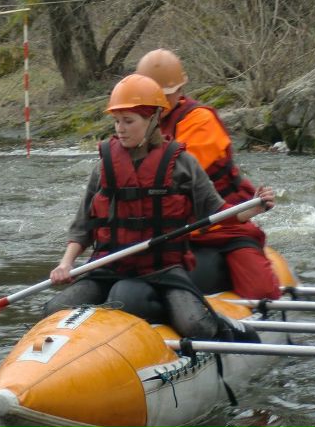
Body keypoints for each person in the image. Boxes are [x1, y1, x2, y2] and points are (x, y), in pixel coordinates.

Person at [42, 73, 275, 339]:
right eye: (117, 121)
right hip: (109, 266)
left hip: (162, 270)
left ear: (153, 119)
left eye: (129, 121)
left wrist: (253, 208)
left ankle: (219, 324)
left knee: (195, 326)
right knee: (54, 309)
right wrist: (66, 263)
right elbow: (83, 225)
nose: (120, 128)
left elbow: (217, 212)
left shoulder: (182, 163)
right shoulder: (104, 165)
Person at [136, 48, 281, 300]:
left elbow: (176, 175)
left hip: (224, 223)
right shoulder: (136, 124)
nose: (163, 101)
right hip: (174, 232)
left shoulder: (200, 120)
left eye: (169, 94)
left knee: (261, 291)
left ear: (181, 90)